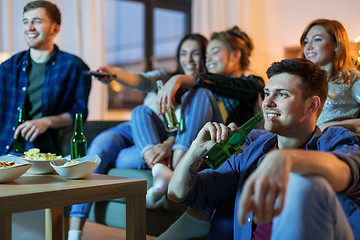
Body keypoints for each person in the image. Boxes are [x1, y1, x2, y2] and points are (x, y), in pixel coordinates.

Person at [163, 58, 360, 239]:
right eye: (266, 93)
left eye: (281, 94)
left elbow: (347, 172)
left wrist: (288, 161)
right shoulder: (254, 148)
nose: (267, 102)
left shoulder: (335, 140)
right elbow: (177, 193)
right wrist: (196, 149)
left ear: (312, 105)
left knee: (305, 183)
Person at [67, 33, 208, 240]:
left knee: (104, 156)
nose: (188, 59)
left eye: (195, 53)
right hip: (133, 128)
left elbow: (188, 132)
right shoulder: (165, 78)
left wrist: (171, 142)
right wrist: (115, 74)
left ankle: (158, 169)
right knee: (101, 147)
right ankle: (75, 231)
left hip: (154, 140)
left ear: (204, 56)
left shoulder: (204, 94)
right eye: (183, 53)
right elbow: (140, 80)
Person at [131, 26, 265, 212]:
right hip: (197, 144)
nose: (207, 58)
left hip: (222, 148)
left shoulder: (252, 83)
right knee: (134, 125)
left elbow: (224, 85)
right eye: (206, 54)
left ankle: (178, 165)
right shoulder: (209, 95)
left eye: (215, 52)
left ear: (235, 55)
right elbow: (190, 126)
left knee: (200, 91)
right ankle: (161, 168)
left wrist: (180, 79)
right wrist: (170, 142)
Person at [0, 0, 91, 155]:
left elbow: (79, 113)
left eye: (37, 21)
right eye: (25, 22)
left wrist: (47, 121)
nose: (30, 28)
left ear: (55, 29)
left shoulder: (74, 66)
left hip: (43, 150)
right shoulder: (8, 67)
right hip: (4, 145)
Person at [301, 19, 360, 130]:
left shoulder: (351, 78)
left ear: (336, 45)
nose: (308, 47)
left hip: (339, 143)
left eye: (317, 40)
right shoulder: (303, 82)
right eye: (306, 42)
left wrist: (330, 126)